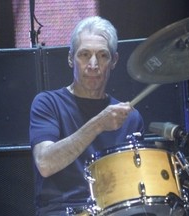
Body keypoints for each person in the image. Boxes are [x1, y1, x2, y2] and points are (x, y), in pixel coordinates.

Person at [29, 16, 144, 216]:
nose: (93, 64)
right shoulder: (48, 103)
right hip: (62, 211)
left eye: (102, 55)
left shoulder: (129, 118)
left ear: (114, 61)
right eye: (84, 55)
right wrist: (99, 124)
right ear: (70, 58)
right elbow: (45, 164)